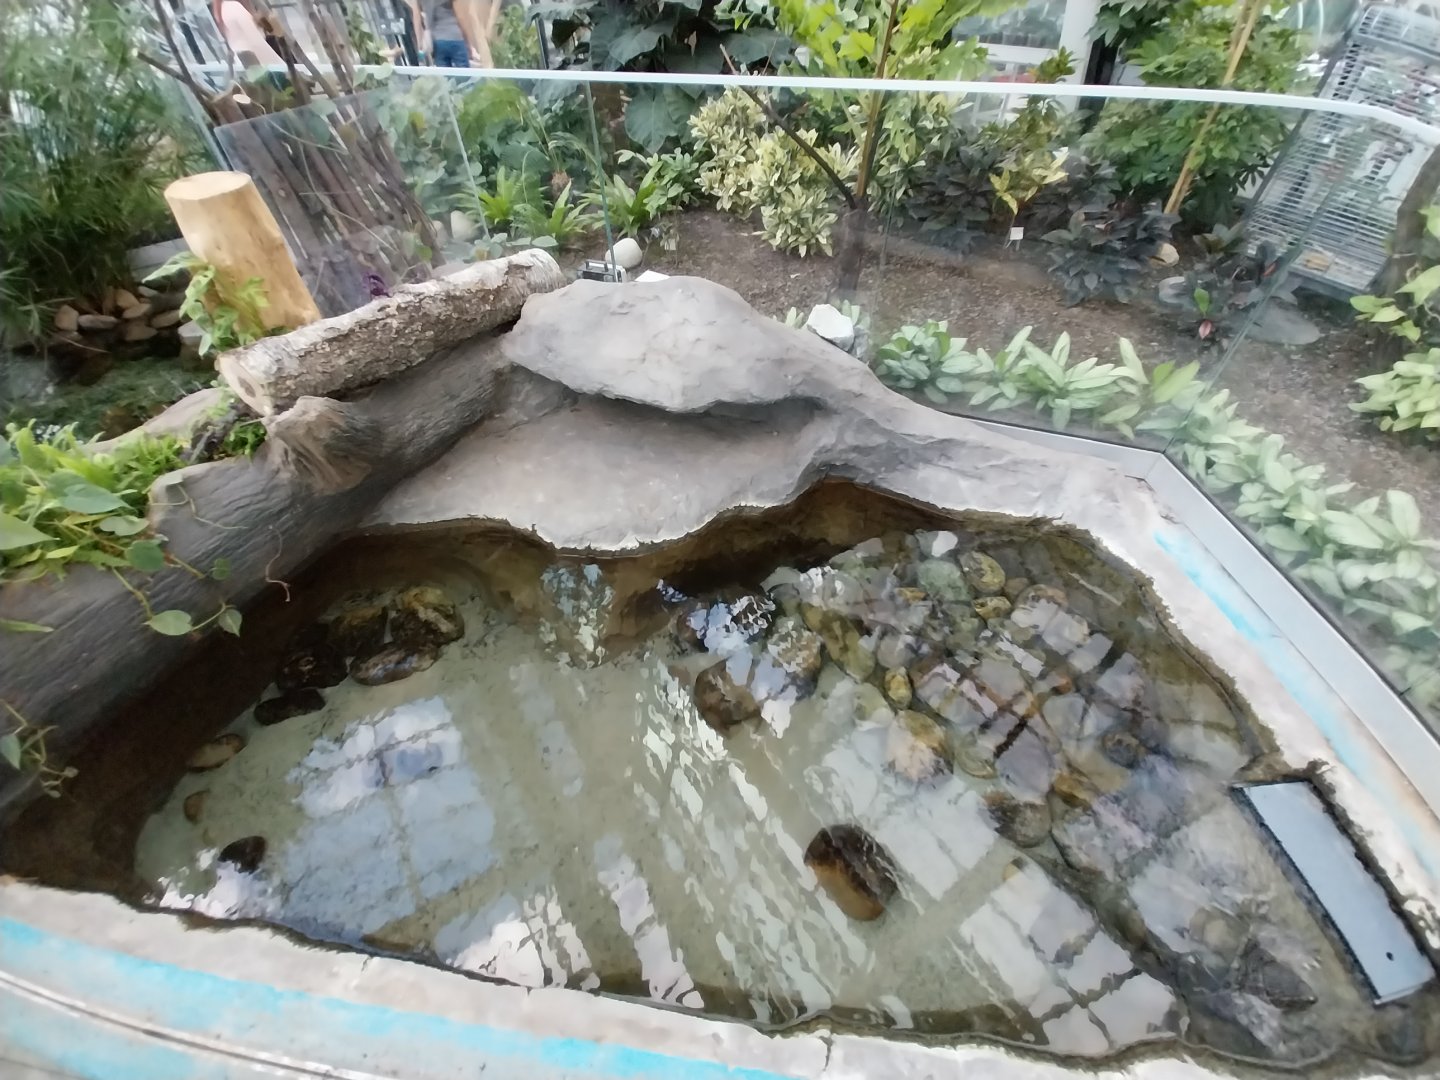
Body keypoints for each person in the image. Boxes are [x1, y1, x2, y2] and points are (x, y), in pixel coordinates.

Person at [410, 0, 491, 68]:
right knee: (465, 78)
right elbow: (460, 17)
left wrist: (420, 43)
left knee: (446, 81)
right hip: (455, 38)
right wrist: (468, 42)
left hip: (437, 42)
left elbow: (416, 18)